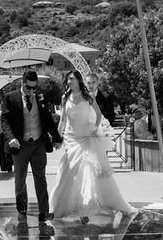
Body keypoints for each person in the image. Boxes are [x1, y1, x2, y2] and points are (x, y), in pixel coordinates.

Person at [50, 70, 137, 224]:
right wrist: (58, 138)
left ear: (78, 80)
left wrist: (94, 129)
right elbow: (63, 120)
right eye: (67, 79)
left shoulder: (88, 96)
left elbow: (98, 114)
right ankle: (66, 205)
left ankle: (86, 206)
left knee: (86, 170)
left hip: (86, 136)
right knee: (69, 170)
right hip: (72, 138)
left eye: (71, 79)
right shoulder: (65, 97)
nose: (69, 81)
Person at [1, 70, 63, 222]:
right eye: (29, 88)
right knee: (20, 179)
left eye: (34, 88)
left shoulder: (41, 97)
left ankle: (44, 211)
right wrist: (11, 138)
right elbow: (5, 120)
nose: (31, 91)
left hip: (38, 143)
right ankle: (22, 209)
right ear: (22, 83)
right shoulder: (10, 98)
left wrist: (57, 138)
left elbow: (48, 119)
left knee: (40, 177)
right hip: (20, 144)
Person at [0, 103, 13, 172]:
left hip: (6, 133)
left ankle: (9, 166)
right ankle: (4, 166)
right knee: (2, 150)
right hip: (1, 134)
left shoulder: (9, 113)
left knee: (8, 150)